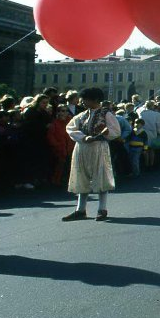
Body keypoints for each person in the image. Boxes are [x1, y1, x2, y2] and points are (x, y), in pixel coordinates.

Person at [62, 88, 120, 222]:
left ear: (94, 100)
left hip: (99, 147)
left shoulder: (107, 114)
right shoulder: (82, 115)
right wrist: (83, 137)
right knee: (81, 176)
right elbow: (70, 128)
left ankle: (102, 209)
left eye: (85, 99)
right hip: (82, 148)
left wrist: (106, 133)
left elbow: (116, 130)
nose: (82, 102)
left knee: (101, 176)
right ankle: (80, 209)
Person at [47, 105, 74, 186]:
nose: (64, 113)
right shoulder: (54, 123)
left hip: (70, 148)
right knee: (58, 167)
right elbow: (50, 136)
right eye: (62, 111)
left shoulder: (71, 122)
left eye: (65, 111)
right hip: (59, 149)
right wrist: (57, 145)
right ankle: (56, 181)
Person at [138, 100, 160, 170]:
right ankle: (151, 164)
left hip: (144, 132)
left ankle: (146, 164)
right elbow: (159, 125)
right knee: (152, 149)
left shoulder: (142, 113)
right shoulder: (157, 114)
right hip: (153, 132)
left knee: (145, 149)